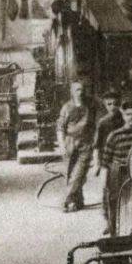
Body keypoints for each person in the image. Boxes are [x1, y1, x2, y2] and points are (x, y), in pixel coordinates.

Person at [98, 99, 132, 236]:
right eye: (128, 114)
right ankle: (114, 233)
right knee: (114, 202)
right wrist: (104, 181)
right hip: (117, 172)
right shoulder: (115, 136)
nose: (131, 118)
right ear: (123, 116)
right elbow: (105, 161)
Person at [56, 81, 96, 212]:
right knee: (70, 173)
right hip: (70, 143)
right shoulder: (66, 107)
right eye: (78, 90)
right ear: (72, 92)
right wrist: (62, 145)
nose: (81, 92)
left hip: (85, 144)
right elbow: (60, 128)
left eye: (83, 89)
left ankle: (65, 201)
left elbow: (96, 125)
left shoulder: (90, 106)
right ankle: (77, 201)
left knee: (78, 174)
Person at [92, 89, 124, 164]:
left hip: (122, 155)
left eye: (116, 104)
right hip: (107, 156)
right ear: (105, 105)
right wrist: (96, 163)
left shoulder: (124, 119)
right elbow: (97, 145)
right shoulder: (102, 122)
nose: (112, 107)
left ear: (120, 104)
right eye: (109, 104)